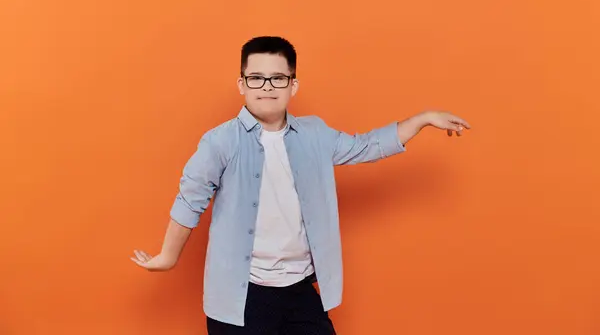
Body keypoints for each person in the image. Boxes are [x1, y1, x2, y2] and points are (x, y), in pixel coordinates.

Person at [131, 36, 470, 334]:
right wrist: (168, 257)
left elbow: (367, 146)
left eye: (277, 78)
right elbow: (190, 200)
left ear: (293, 85)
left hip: (299, 289)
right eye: (257, 78)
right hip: (241, 295)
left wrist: (423, 119)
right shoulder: (220, 142)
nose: (267, 86)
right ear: (242, 85)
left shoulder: (314, 133)